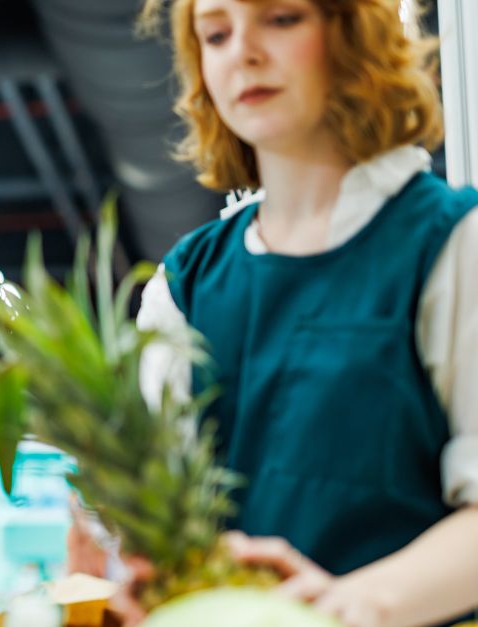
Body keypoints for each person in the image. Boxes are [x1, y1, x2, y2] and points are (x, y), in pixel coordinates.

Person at [117, 1, 478, 625]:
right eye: (217, 33)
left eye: (282, 19)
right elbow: (161, 512)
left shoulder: (450, 243)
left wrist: (351, 604)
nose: (244, 53)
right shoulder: (185, 285)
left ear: (352, 33)